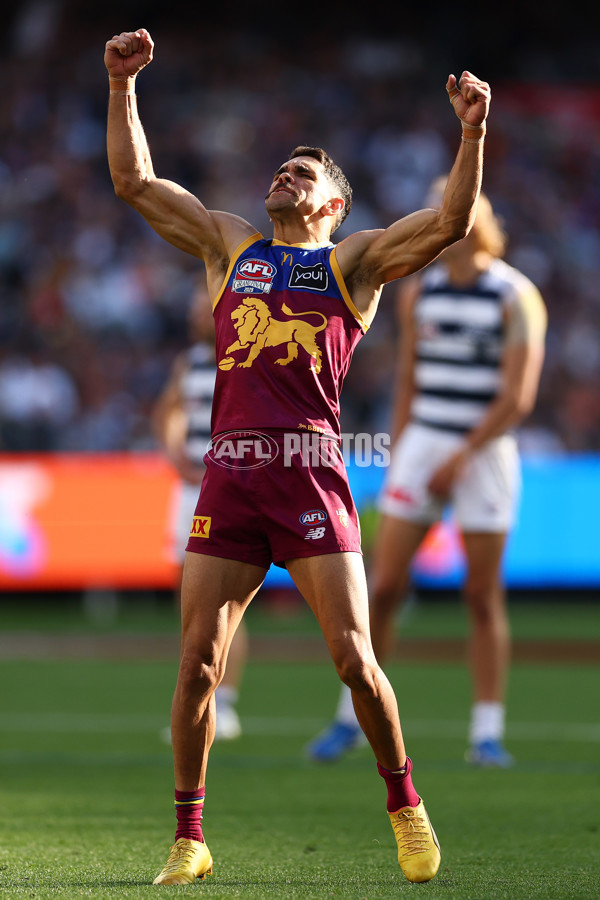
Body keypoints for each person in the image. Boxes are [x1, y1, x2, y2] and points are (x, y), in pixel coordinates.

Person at [104, 27, 491, 886]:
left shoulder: (355, 266)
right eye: (282, 165)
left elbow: (454, 222)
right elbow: (133, 182)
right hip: (230, 475)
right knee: (198, 663)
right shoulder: (232, 248)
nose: (284, 172)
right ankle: (191, 838)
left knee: (355, 654)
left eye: (304, 172)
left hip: (312, 475)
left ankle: (407, 807)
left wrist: (471, 133)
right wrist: (122, 87)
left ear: (333, 207)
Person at [308, 178, 547, 767]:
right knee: (382, 588)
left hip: (484, 452)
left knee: (481, 595)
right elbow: (408, 380)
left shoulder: (515, 295)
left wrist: (461, 454)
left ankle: (486, 732)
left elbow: (517, 397)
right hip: (424, 444)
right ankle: (353, 717)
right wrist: (400, 447)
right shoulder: (421, 293)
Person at [152, 284, 247, 742]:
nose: (195, 312)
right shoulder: (189, 362)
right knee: (188, 597)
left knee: (227, 602)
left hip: (226, 486)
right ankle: (196, 699)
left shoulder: (247, 353)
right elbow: (167, 410)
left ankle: (223, 702)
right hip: (191, 488)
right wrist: (176, 457)